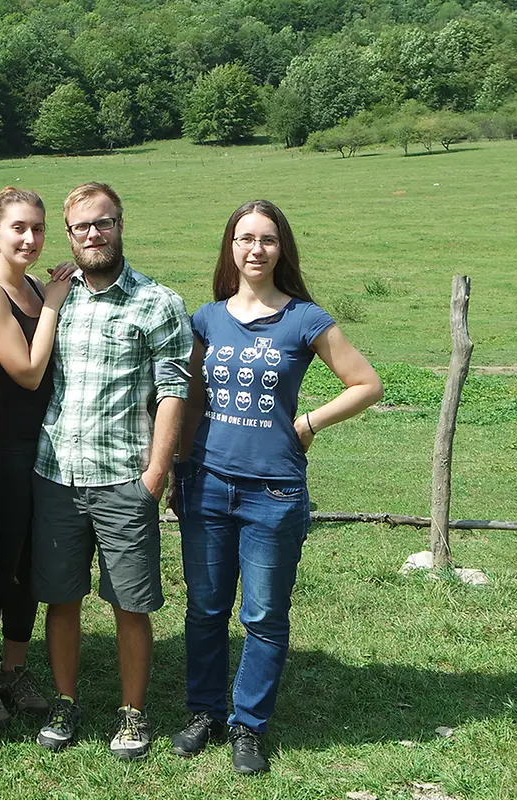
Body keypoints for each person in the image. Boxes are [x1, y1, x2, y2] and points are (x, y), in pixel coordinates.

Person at [170, 200, 382, 775]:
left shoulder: (306, 319)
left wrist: (308, 422)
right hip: (207, 484)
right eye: (245, 238)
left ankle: (248, 724)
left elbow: (366, 383)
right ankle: (205, 712)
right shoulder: (206, 319)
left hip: (275, 492)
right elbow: (189, 400)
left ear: (281, 247)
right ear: (230, 248)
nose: (256, 249)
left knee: (263, 616)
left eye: (267, 239)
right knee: (206, 608)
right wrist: (178, 466)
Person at [31, 182, 193, 761]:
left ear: (121, 224)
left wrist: (157, 472)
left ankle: (132, 712)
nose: (93, 235)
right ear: (69, 235)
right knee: (61, 597)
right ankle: (65, 700)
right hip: (55, 473)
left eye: (103, 223)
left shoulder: (157, 301)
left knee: (131, 601)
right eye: (81, 227)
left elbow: (174, 390)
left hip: (125, 475)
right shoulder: (55, 298)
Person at [0, 187, 72, 728]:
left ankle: (16, 666)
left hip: (42, 447)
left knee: (30, 563)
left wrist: (46, 296)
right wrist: (53, 304)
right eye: (19, 228)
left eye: (38, 229)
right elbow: (26, 370)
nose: (29, 239)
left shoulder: (32, 286)